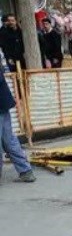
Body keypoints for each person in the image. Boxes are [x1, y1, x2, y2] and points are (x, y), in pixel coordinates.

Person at [0, 52, 35, 183]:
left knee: (8, 139)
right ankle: (26, 171)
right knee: (9, 139)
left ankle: (26, 171)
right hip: (3, 102)